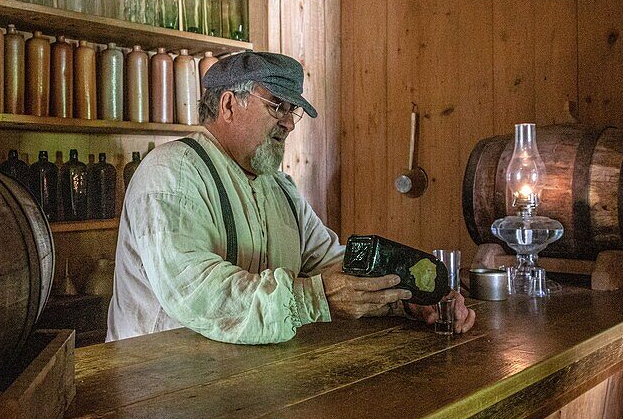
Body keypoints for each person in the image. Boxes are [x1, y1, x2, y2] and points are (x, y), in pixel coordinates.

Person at [107, 51, 475, 344]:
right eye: (276, 106)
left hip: (240, 389)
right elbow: (201, 295)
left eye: (291, 110)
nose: (287, 122)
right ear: (229, 105)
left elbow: (335, 264)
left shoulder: (279, 187)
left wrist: (409, 300)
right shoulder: (170, 172)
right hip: (160, 394)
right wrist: (315, 299)